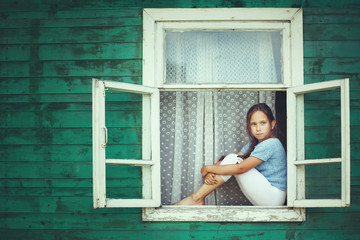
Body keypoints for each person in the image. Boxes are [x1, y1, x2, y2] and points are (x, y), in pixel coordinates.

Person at [174, 103, 287, 206]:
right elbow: (229, 160)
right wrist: (211, 172)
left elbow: (240, 167)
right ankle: (196, 198)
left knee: (234, 159)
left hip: (274, 198)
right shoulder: (255, 143)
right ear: (249, 126)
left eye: (263, 123)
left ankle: (196, 198)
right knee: (232, 158)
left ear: (272, 124)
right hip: (267, 195)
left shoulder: (271, 144)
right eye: (254, 124)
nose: (258, 128)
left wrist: (207, 168)